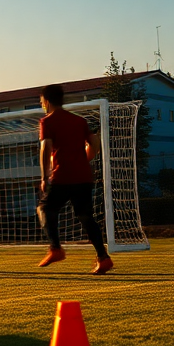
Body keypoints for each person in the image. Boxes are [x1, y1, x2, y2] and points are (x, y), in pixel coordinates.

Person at [35, 84, 113, 274]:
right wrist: (84, 159)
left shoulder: (48, 121)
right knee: (86, 216)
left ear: (46, 101)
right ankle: (103, 258)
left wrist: (45, 176)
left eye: (42, 101)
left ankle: (55, 248)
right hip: (84, 176)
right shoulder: (79, 121)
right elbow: (94, 142)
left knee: (45, 208)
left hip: (62, 175)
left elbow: (45, 148)